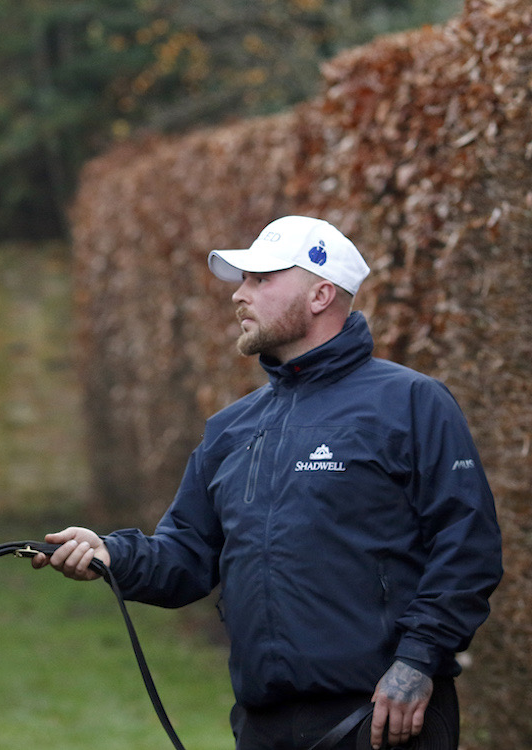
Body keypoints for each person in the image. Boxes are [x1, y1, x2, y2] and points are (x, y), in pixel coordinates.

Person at [33, 216, 503, 750]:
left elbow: (468, 547)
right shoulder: (231, 429)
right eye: (243, 280)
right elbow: (187, 555)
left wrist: (418, 660)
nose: (239, 295)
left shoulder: (413, 404)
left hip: (384, 720)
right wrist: (110, 555)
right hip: (264, 726)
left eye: (261, 279)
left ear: (322, 294)